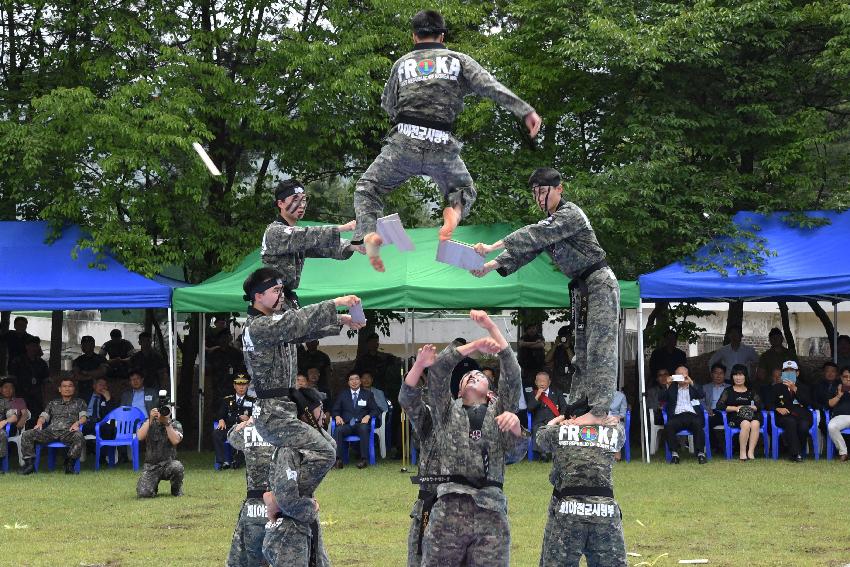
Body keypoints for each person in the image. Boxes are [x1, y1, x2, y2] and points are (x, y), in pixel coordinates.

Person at [352, 9, 541, 272]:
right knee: (464, 191)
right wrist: (525, 110)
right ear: (442, 36)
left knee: (368, 188)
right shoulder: (459, 60)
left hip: (404, 142)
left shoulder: (402, 63)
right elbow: (490, 85)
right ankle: (452, 213)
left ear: (413, 37)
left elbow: (388, 104)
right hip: (442, 143)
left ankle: (366, 234)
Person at [472, 168, 619, 426]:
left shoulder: (569, 215)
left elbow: (533, 234)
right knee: (582, 352)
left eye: (543, 191)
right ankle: (579, 407)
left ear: (559, 189)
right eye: (535, 193)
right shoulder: (549, 225)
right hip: (581, 289)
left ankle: (599, 412)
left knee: (600, 348)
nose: (539, 198)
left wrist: (492, 246)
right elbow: (527, 250)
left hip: (599, 283)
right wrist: (489, 266)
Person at [241, 267, 363, 515]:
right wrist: (336, 303)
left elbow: (300, 330)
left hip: (283, 409)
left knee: (327, 443)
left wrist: (342, 320)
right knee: (326, 452)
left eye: (281, 290)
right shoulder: (258, 327)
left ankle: (284, 492)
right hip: (272, 413)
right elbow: (295, 321)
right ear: (258, 296)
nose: (281, 296)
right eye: (275, 291)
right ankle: (284, 499)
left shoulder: (273, 325)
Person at [418, 310, 528, 567]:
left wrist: (491, 326)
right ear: (458, 390)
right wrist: (474, 346)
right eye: (467, 376)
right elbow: (437, 372)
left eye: (479, 375)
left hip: (490, 510)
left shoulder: (501, 409)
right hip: (448, 508)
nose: (473, 376)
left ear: (490, 389)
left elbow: (513, 372)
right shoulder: (445, 410)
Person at [536, 411, 627, 567]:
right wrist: (610, 420)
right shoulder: (614, 432)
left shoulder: (560, 432)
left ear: (572, 416)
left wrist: (558, 421)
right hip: (604, 509)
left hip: (568, 508)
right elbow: (620, 434)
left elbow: (541, 437)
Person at [262, 388, 333, 567]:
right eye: (319, 410)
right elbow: (286, 498)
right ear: (306, 414)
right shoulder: (288, 449)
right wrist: (311, 508)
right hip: (289, 530)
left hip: (302, 526)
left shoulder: (308, 445)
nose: (323, 415)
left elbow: (330, 445)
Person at [261, 178, 358, 291]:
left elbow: (321, 245)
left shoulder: (297, 236)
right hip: (270, 300)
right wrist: (343, 228)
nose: (301, 205)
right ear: (280, 203)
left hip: (284, 297)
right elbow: (306, 235)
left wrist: (354, 245)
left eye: (303, 200)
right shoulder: (274, 232)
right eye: (295, 199)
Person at [225, 416, 275, 567]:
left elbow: (232, 437)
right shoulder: (285, 429)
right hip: (280, 502)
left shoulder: (249, 429)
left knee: (241, 558)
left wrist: (246, 423)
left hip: (253, 504)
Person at [18, 378, 87, 475]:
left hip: (68, 432)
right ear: (59, 389)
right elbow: (44, 416)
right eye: (64, 386)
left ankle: (69, 465)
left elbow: (84, 417)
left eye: (70, 386)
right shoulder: (53, 403)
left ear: (74, 388)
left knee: (79, 436)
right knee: (27, 434)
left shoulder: (80, 402)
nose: (67, 388)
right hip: (51, 432)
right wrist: (39, 423)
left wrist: (77, 423)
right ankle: (29, 465)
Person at [331, 371, 380, 469]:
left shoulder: (367, 394)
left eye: (356, 378)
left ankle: (364, 459)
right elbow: (335, 410)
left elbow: (375, 410)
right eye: (351, 379)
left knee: (364, 429)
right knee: (338, 430)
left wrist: (368, 416)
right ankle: (338, 460)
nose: (354, 381)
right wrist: (337, 416)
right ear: (348, 382)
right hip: (347, 424)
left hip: (361, 423)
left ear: (360, 381)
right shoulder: (343, 394)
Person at [767, 360, 813, 462]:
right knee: (790, 422)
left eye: (791, 371)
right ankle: (796, 454)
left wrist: (795, 389)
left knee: (803, 426)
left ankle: (798, 452)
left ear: (797, 373)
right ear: (782, 374)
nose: (789, 373)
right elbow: (768, 404)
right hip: (784, 416)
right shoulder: (777, 387)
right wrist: (777, 408)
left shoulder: (804, 387)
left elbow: (808, 402)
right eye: (786, 371)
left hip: (802, 416)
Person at [661, 365, 707, 464]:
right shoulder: (672, 387)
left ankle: (700, 454)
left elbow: (702, 395)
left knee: (698, 424)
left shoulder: (693, 386)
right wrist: (667, 385)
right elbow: (662, 398)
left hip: (692, 414)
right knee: (668, 426)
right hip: (677, 416)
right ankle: (674, 454)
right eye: (678, 374)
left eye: (683, 374)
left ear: (688, 375)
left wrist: (691, 383)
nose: (681, 376)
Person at [716, 365, 763, 460]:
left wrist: (751, 407)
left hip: (750, 414)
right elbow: (719, 405)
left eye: (741, 375)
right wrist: (735, 408)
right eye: (735, 375)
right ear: (732, 377)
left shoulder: (751, 391)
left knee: (755, 423)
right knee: (745, 424)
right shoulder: (728, 391)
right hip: (735, 416)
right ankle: (742, 453)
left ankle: (750, 452)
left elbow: (760, 405)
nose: (738, 378)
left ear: (745, 376)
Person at [136, 403, 184, 497]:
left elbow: (175, 440)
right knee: (143, 494)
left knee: (177, 467)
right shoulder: (149, 423)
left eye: (167, 411)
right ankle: (152, 487)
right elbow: (139, 437)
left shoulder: (175, 424)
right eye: (162, 410)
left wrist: (167, 424)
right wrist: (150, 419)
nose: (164, 413)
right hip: (151, 465)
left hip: (168, 464)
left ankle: (176, 490)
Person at [214, 373, 255, 470]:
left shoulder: (253, 401)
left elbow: (257, 415)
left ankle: (238, 461)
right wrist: (221, 419)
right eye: (239, 384)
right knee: (217, 433)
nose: (241, 387)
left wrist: (249, 419)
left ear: (248, 385)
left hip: (245, 428)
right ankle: (223, 461)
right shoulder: (227, 400)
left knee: (245, 436)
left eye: (244, 384)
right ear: (234, 386)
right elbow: (220, 413)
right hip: (229, 428)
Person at [7, 335, 49, 423]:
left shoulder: (42, 363)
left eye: (36, 346)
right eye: (32, 345)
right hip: (20, 396)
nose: (34, 348)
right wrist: (12, 398)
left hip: (37, 398)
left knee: (36, 420)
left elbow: (45, 383)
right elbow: (11, 381)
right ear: (27, 346)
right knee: (19, 421)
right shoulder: (17, 361)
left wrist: (45, 400)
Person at [525, 370, 564, 461]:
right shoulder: (532, 393)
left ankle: (551, 453)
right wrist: (537, 395)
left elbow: (564, 407)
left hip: (553, 421)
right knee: (537, 429)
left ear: (549, 382)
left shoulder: (557, 392)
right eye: (539, 381)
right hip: (538, 421)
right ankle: (544, 453)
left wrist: (561, 417)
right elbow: (529, 409)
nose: (542, 383)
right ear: (535, 382)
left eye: (544, 381)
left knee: (556, 428)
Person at [72, 335, 109, 401]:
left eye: (88, 344)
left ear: (93, 345)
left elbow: (102, 372)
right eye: (83, 344)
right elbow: (76, 376)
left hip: (100, 392)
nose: (85, 346)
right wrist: (91, 377)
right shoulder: (78, 360)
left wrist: (86, 373)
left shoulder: (101, 359)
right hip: (83, 392)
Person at [826, 367, 850, 462]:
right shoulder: (836, 388)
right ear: (841, 377)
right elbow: (830, 404)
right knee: (832, 426)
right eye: (845, 377)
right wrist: (839, 395)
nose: (848, 379)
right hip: (841, 417)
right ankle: (843, 453)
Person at [704, 363, 729, 451]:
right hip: (710, 411)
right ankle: (715, 445)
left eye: (721, 373)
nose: (718, 375)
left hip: (726, 412)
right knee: (706, 421)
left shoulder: (730, 388)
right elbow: (700, 400)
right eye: (716, 373)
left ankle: (719, 445)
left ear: (724, 375)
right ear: (711, 374)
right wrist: (707, 409)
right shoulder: (705, 388)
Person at [545, 325, 574, 393]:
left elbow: (574, 361)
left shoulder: (575, 348)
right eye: (563, 336)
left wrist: (567, 347)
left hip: (571, 381)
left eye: (567, 336)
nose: (565, 338)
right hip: (557, 381)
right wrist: (555, 345)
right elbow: (546, 360)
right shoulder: (557, 349)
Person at [0, 389, 19, 469]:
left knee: (2, 434)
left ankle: (1, 464)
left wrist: (4, 421)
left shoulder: (3, 402)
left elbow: (14, 417)